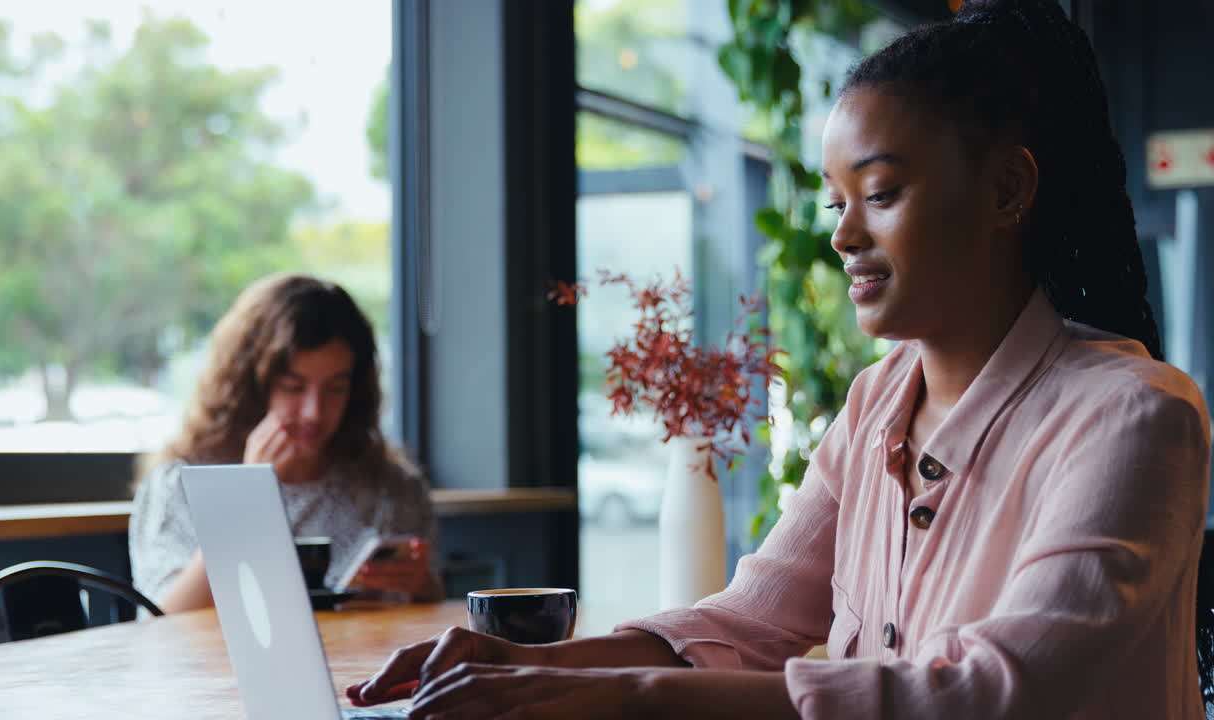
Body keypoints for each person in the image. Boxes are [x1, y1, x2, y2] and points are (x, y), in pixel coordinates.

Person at [347, 1, 1213, 718]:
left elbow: (1000, 691)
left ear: (1006, 190)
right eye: (836, 200)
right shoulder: (879, 400)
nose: (843, 235)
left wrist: (619, 697)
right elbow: (750, 618)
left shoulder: (1135, 414)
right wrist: (529, 665)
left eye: (880, 194)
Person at [130, 273, 444, 613]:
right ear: (249, 386)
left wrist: (421, 586)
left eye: (335, 388)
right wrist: (247, 496)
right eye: (294, 387)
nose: (314, 412)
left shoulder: (391, 488)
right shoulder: (180, 482)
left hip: (367, 663)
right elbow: (163, 619)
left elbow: (430, 611)